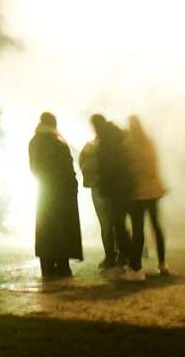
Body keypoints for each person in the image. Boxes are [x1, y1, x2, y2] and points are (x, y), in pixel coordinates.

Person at [28, 112, 83, 279]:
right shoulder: (58, 142)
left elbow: (34, 167)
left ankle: (47, 265)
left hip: (44, 190)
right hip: (61, 192)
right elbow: (67, 169)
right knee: (62, 229)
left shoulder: (34, 141)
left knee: (46, 229)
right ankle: (62, 265)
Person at [125, 115, 168, 280]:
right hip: (153, 189)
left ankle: (137, 266)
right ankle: (162, 262)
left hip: (137, 192)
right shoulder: (149, 142)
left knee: (138, 229)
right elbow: (155, 164)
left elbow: (129, 169)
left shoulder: (128, 145)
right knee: (156, 226)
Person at [95, 115, 134, 276]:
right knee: (120, 226)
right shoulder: (119, 139)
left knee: (117, 226)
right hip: (123, 187)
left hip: (114, 189)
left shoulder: (106, 142)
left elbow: (107, 167)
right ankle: (127, 258)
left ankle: (129, 260)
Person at [80, 115, 118, 270]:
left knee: (106, 224)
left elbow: (83, 162)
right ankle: (121, 255)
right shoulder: (115, 140)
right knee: (116, 222)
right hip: (115, 187)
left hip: (100, 187)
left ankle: (110, 256)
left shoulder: (92, 145)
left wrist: (90, 178)